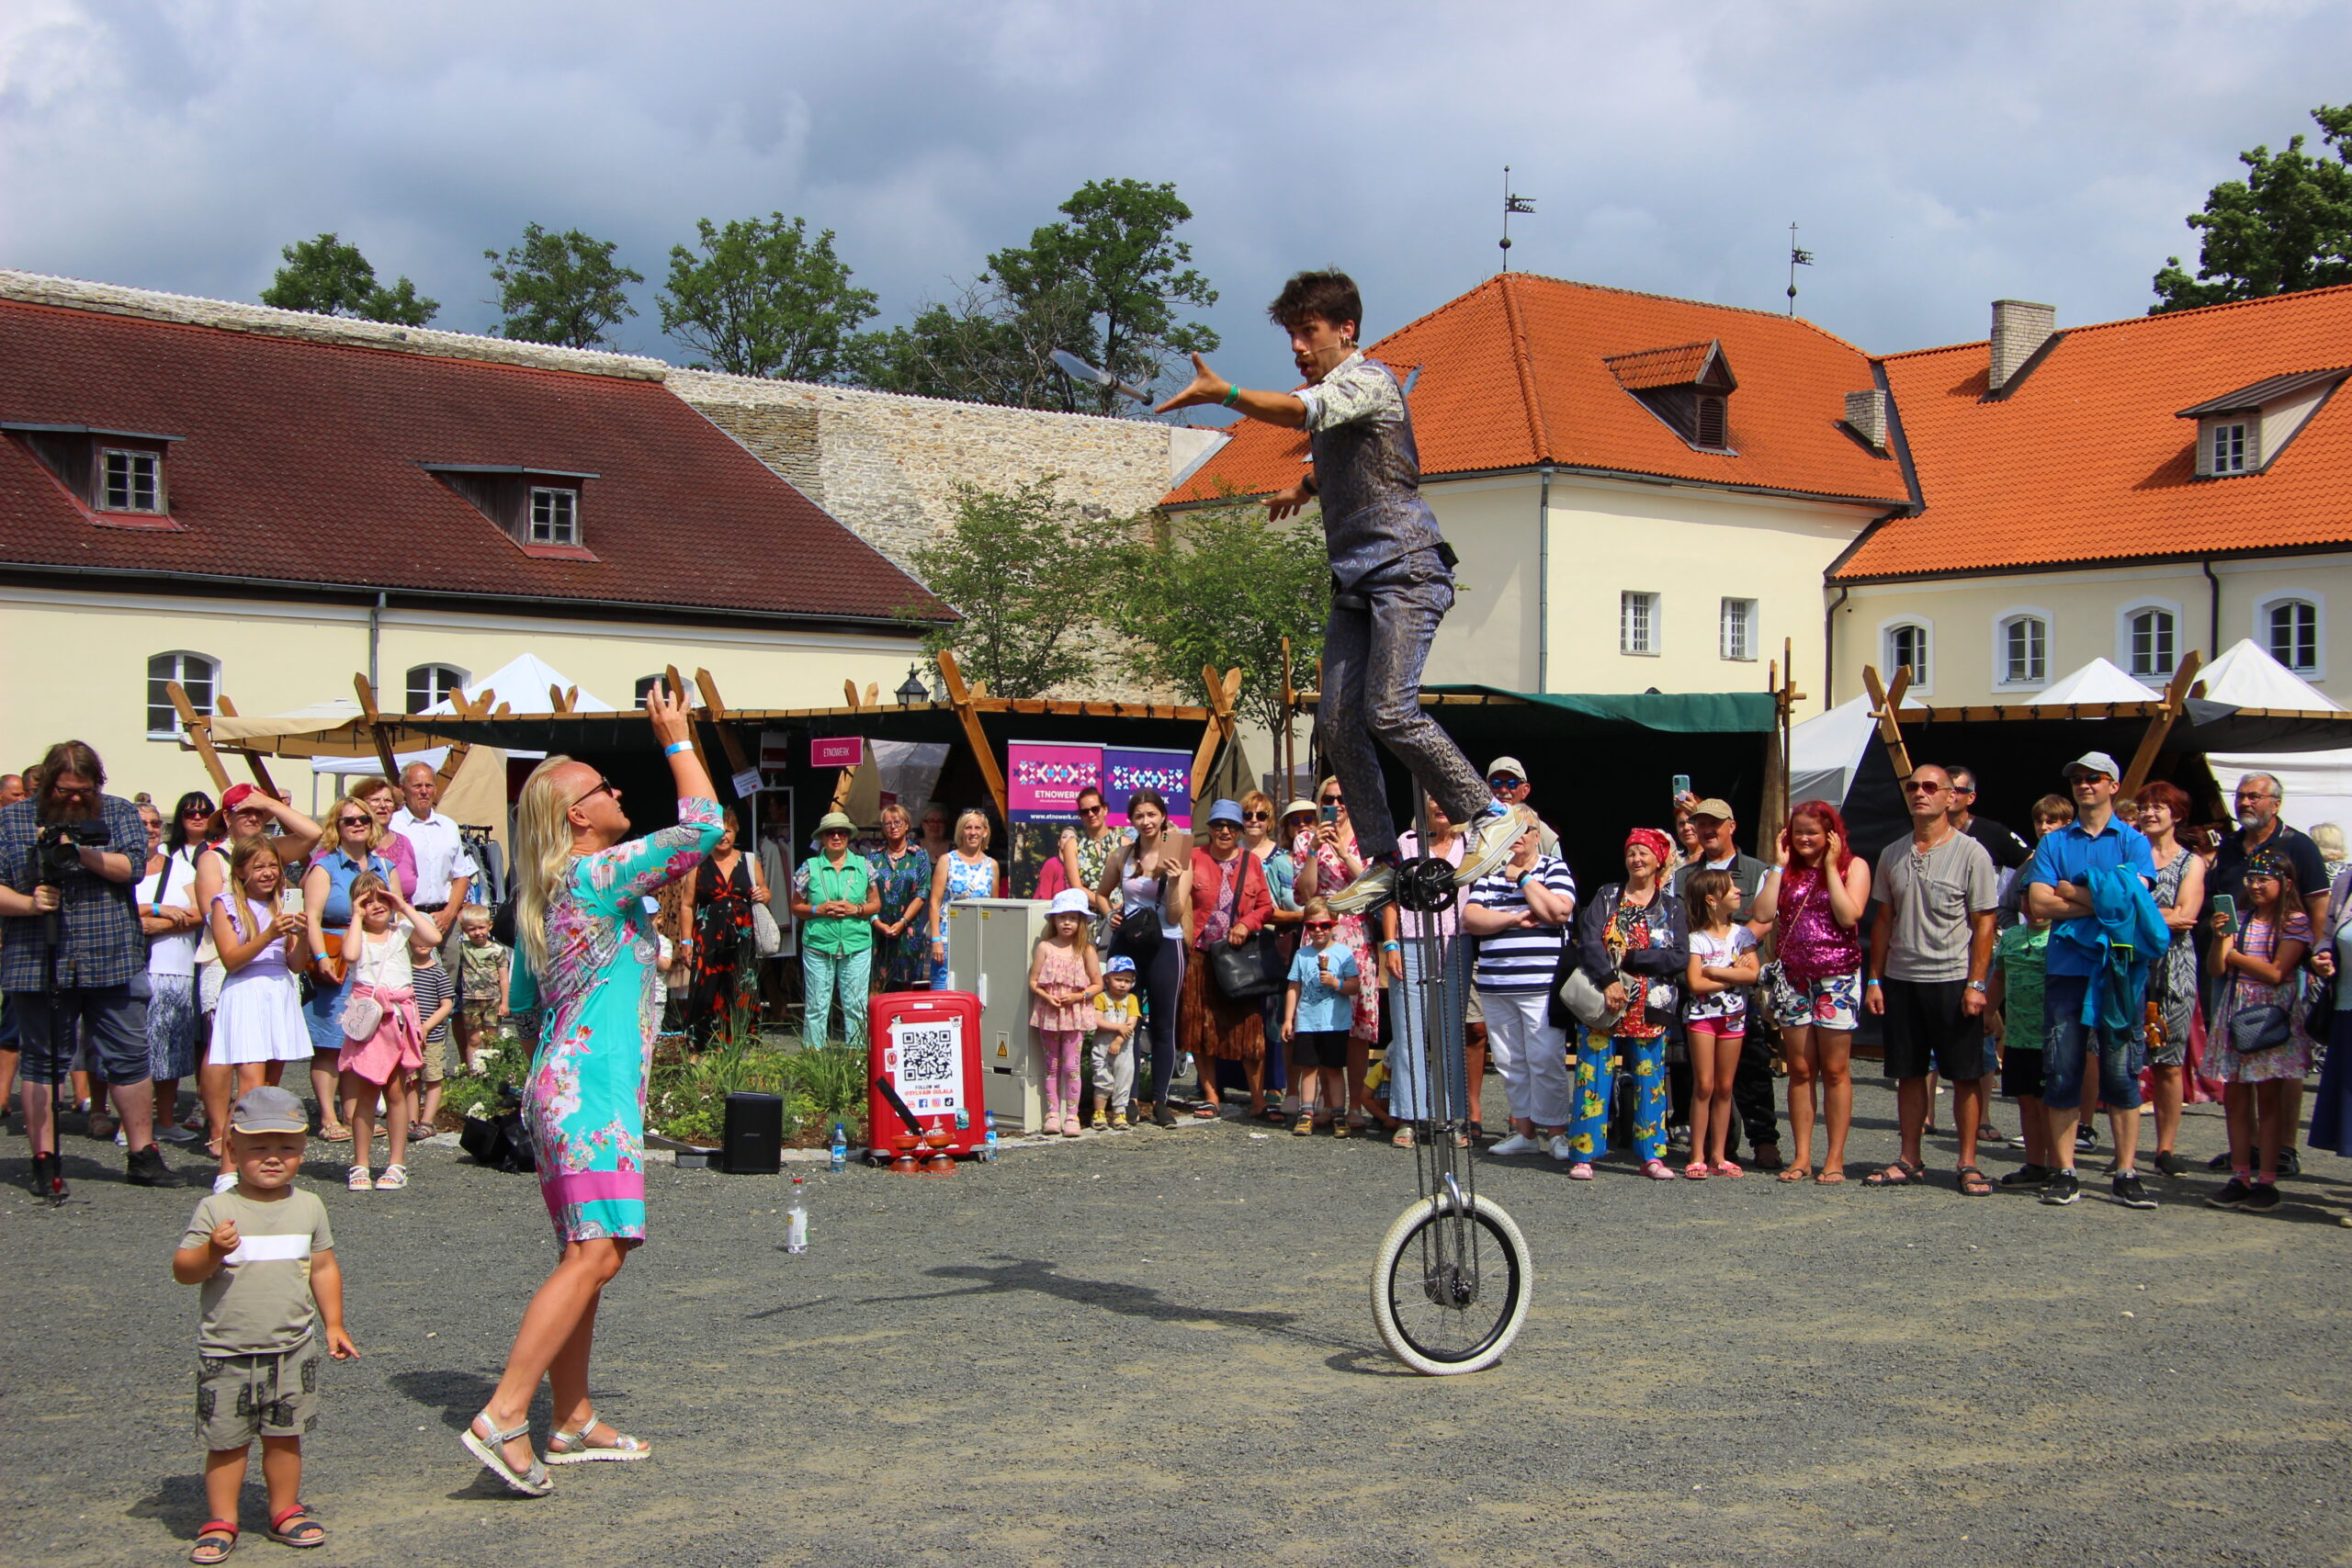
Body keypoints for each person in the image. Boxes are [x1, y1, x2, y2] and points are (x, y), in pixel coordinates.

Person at [1159, 269, 1519, 913]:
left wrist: (1228, 393)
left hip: (1407, 568)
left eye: (1308, 331)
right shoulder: (1339, 400)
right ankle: (1382, 857)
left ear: (1345, 329)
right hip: (1356, 580)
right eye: (1291, 333)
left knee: (1389, 708)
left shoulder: (1366, 379)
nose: (1297, 345)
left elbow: (1301, 410)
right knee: (1334, 721)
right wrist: (1304, 488)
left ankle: (1488, 812)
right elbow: (1356, 459)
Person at [464, 682, 721, 1495]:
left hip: (564, 1087)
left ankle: (571, 1415)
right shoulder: (598, 873)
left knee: (588, 1252)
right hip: (591, 1094)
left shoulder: (551, 891)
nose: (616, 793)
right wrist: (677, 736)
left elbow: (531, 999)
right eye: (603, 789)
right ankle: (506, 1411)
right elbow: (708, 828)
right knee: (596, 1251)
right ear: (577, 815)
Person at [173, 1086, 356, 1563]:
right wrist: (213, 1250)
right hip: (227, 1350)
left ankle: (284, 1509)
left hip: (291, 1347)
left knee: (284, 1435)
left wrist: (333, 1323)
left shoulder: (310, 1206)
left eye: (286, 1148)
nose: (273, 1158)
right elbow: (184, 1271)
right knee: (226, 1442)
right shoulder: (218, 1210)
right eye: (258, 1148)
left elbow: (323, 1267)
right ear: (232, 1149)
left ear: (302, 1150)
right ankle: (221, 1519)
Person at [0, 739, 187, 1193]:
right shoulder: (12, 819)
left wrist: (77, 850)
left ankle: (143, 1153)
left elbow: (133, 868)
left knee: (129, 1055)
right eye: (65, 791)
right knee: (43, 1061)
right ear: (47, 784)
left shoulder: (119, 812)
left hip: (112, 954)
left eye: (83, 790)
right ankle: (44, 1157)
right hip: (37, 958)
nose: (75, 798)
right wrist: (28, 904)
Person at [2023, 751, 2161, 1209]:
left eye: (2093, 778)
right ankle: (2065, 1171)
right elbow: (2039, 905)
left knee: (2122, 1074)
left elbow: (2134, 902)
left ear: (2113, 786)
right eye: (2078, 778)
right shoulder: (2054, 842)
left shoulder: (2134, 842)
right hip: (2067, 969)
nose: (2084, 785)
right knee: (2062, 1071)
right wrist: (2103, 898)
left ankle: (2125, 1171)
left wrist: (2072, 891)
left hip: (2120, 969)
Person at [1864, 763, 2000, 1195]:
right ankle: (1909, 1158)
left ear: (1949, 797)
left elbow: (1984, 923)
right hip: (1903, 978)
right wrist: (1875, 979)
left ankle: (1967, 1161)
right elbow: (1883, 920)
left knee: (1964, 1074)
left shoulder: (1972, 853)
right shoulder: (1892, 853)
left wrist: (1978, 984)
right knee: (1907, 1072)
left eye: (1929, 787)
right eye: (1912, 787)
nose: (1919, 794)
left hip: (1953, 977)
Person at [2204, 772, 2329, 1175]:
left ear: (2275, 803)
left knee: (2278, 1059)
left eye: (2254, 797)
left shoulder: (2298, 846)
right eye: (2240, 796)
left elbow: (2318, 905)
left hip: (2283, 963)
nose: (2245, 803)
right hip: (2235, 964)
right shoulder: (2231, 846)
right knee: (2240, 1062)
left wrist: (2319, 952)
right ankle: (2250, 1148)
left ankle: (2284, 1148)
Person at [1751, 801, 1870, 1184]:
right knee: (1800, 1070)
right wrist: (1778, 866)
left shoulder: (1856, 866)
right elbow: (1764, 913)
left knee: (1835, 1070)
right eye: (1797, 831)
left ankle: (1834, 1158)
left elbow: (1849, 915)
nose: (1804, 838)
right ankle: (1801, 1156)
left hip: (1837, 977)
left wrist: (1832, 867)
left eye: (1812, 832)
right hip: (1795, 979)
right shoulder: (1784, 872)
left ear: (1831, 835)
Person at [1671, 796, 1781, 1169]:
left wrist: (1734, 940)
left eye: (1714, 823)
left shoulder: (1756, 870)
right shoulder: (1684, 874)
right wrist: (1714, 954)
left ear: (1731, 826)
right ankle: (1706, 1147)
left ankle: (1764, 1138)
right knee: (1696, 1076)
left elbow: (1766, 918)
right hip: (1700, 985)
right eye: (1700, 823)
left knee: (1753, 1066)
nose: (1706, 829)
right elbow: (1676, 923)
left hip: (1740, 991)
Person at [1565, 827, 1679, 1178]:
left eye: (1644, 852)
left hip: (1650, 1004)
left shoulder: (1672, 907)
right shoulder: (1608, 895)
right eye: (1631, 853)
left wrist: (1631, 959)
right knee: (1593, 1072)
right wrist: (1610, 980)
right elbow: (1589, 941)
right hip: (1605, 998)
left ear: (1659, 860)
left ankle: (1651, 1155)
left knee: (1650, 1078)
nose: (1636, 859)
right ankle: (1584, 1154)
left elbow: (1678, 959)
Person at [2204, 850, 2314, 1212]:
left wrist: (2234, 955)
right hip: (2236, 1009)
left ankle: (2267, 1179)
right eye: (2251, 879)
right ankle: (2241, 1175)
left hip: (2271, 1015)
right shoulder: (2243, 918)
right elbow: (2216, 970)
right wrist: (2222, 938)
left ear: (2285, 883)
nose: (2254, 886)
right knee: (2235, 1099)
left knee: (2269, 1102)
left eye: (2262, 879)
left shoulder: (2295, 922)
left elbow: (2277, 972)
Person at [207, 839, 314, 1187]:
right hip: (246, 992)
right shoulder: (226, 905)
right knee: (250, 1089)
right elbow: (231, 960)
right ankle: (227, 1168)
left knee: (269, 1089)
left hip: (279, 991)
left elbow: (296, 965)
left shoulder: (284, 903)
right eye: (258, 867)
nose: (267, 873)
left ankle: (258, 1166)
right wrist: (270, 932)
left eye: (272, 866)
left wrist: (303, 932)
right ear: (241, 871)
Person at [1291, 778, 1387, 1129]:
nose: (1337, 804)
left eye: (1343, 798)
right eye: (1330, 799)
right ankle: (1317, 1104)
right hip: (1320, 930)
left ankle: (1354, 1107)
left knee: (1356, 1027)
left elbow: (1375, 888)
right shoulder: (1305, 838)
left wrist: (1345, 852)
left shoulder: (1367, 838)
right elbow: (1304, 893)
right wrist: (1315, 850)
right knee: (1317, 1023)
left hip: (1355, 935)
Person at [336, 873, 440, 1192]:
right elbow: (350, 955)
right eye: (367, 902)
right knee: (365, 1093)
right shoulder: (356, 934)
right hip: (369, 1023)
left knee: (396, 1091)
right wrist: (355, 916)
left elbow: (433, 937)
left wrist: (404, 906)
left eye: (382, 899)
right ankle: (361, 1162)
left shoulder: (401, 931)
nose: (376, 906)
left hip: (397, 1018)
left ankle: (397, 1162)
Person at [300, 795, 396, 1143]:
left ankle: (354, 1115)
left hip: (373, 961)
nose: (357, 824)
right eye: (348, 820)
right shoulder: (324, 866)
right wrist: (321, 957)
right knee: (329, 1042)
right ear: (336, 827)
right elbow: (311, 917)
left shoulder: (384, 868)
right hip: (337, 958)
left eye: (363, 820)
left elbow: (397, 912)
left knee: (360, 1040)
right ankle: (327, 1117)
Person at [1384, 795, 1472, 1147]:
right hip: (1409, 941)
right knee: (1409, 1031)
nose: (1440, 806)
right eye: (1432, 799)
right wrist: (1390, 943)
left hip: (1455, 942)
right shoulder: (1406, 844)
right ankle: (1409, 1116)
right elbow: (1389, 895)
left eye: (1445, 797)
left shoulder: (1470, 846)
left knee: (1450, 1032)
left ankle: (1452, 1118)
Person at [1096, 791, 1187, 1127]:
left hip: (1166, 943)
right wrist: (1109, 915)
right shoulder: (1122, 855)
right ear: (1131, 820)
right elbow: (1101, 894)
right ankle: (1128, 1099)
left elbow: (1176, 916)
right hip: (1128, 943)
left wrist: (1175, 882)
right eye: (1139, 816)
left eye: (1152, 815)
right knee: (1126, 1023)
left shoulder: (1178, 852)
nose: (1146, 822)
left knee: (1164, 1024)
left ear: (1162, 816)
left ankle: (1161, 1101)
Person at [1183, 798, 1276, 1120]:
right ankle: (1211, 1095)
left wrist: (1246, 923)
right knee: (1201, 1026)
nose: (1225, 831)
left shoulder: (1251, 863)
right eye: (1219, 825)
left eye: (1232, 826)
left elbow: (1266, 906)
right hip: (1200, 954)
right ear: (1209, 828)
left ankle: (1258, 1099)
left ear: (1239, 830)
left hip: (1238, 959)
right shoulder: (1194, 858)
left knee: (1250, 1029)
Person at [2136, 781, 2207, 1179]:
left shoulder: (2191, 862)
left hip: (2173, 968)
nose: (2150, 813)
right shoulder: (2128, 856)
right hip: (2129, 965)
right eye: (2145, 806)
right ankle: (2124, 1145)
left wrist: (2135, 911)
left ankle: (2165, 1148)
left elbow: (2185, 916)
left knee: (2168, 1061)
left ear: (2176, 815)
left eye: (2159, 807)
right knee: (2123, 1057)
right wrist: (2162, 911)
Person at [143, 791, 214, 1145]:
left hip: (192, 955)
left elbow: (202, 910)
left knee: (187, 1039)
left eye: (204, 812)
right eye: (189, 812)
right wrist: (156, 911)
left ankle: (197, 1105)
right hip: (143, 963)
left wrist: (162, 922)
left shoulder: (196, 862)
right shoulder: (170, 856)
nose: (197, 817)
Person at [1682, 868, 1760, 1179]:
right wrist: (1729, 974)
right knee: (1704, 1085)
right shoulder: (1696, 939)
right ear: (1713, 900)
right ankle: (1697, 1154)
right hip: (1703, 1019)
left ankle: (1719, 1155)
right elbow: (1695, 984)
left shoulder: (1743, 935)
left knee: (1726, 1086)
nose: (1739, 893)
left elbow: (1752, 974)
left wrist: (1715, 973)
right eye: (1731, 890)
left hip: (1733, 1018)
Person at [683, 807, 771, 1052]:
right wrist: (686, 942)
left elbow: (766, 892)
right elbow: (687, 905)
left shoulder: (750, 861)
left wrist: (763, 894)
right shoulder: (698, 863)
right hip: (707, 937)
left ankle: (742, 1044)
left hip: (742, 937)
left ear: (736, 831)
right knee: (705, 990)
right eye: (718, 831)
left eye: (728, 830)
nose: (723, 836)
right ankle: (701, 1046)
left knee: (742, 987)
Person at [793, 811, 878, 1051]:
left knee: (855, 1006)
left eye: (842, 832)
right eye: (831, 833)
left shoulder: (864, 865)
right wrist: (817, 909)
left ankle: (857, 1061)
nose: (837, 836)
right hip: (819, 945)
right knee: (817, 1006)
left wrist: (856, 909)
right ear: (822, 837)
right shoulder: (809, 867)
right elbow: (795, 906)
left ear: (849, 837)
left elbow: (876, 904)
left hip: (856, 945)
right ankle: (813, 1061)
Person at [1283, 897, 1363, 1134]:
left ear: (1334, 925)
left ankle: (1338, 1112)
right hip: (1307, 1021)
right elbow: (1293, 986)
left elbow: (1355, 985)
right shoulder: (1302, 955)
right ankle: (1306, 1112)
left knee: (1334, 1069)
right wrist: (1288, 1019)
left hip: (1334, 1022)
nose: (1318, 931)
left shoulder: (1343, 953)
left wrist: (1336, 983)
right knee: (1308, 1068)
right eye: (1311, 926)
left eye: (1324, 926)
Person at [1028, 888, 1102, 1135]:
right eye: (1062, 917)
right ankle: (1051, 1113)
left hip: (1074, 1015)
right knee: (1052, 1065)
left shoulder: (1086, 951)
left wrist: (1078, 996)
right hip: (1049, 1013)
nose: (1067, 922)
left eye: (1072, 917)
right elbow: (1033, 981)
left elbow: (1098, 984)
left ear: (1081, 921)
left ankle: (1071, 1116)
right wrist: (1046, 996)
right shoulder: (1045, 948)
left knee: (1072, 1066)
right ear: (1054, 920)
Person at [386, 761, 476, 951]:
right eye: (417, 786)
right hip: (408, 920)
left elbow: (461, 875)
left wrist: (449, 914)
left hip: (446, 921)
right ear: (403, 789)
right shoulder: (391, 826)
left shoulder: (449, 826)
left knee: (447, 979)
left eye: (429, 785)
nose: (424, 791)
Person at [929, 808, 1002, 992]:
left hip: (978, 938)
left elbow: (994, 906)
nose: (973, 832)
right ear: (961, 831)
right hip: (948, 936)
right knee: (943, 989)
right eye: (968, 827)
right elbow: (934, 902)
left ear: (985, 832)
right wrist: (936, 939)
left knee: (974, 990)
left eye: (978, 828)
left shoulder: (992, 865)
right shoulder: (947, 860)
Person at [866, 802, 932, 993]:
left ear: (907, 825)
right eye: (887, 823)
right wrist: (877, 923)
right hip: (879, 930)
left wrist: (902, 922)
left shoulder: (919, 855)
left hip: (908, 930)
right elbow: (866, 894)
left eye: (897, 822)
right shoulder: (873, 857)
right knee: (876, 986)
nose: (893, 826)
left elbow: (922, 893)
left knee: (906, 987)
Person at [1057, 785, 1134, 946]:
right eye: (1085, 811)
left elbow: (1132, 882)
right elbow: (1077, 887)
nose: (1091, 814)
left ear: (1105, 809)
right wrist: (1108, 907)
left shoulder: (1124, 843)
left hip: (1121, 918)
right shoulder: (1073, 845)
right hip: (1089, 920)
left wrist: (1118, 910)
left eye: (1095, 809)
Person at [409, 920, 455, 1140]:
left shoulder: (438, 972)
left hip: (433, 1036)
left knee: (433, 1077)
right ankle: (410, 1119)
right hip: (408, 1036)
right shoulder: (404, 971)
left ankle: (427, 1120)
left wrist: (426, 1026)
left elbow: (447, 1004)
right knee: (411, 1079)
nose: (422, 943)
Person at [455, 906, 510, 1077]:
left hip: (492, 999)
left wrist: (505, 1003)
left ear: (490, 926)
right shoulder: (463, 948)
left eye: (481, 928)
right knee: (473, 1040)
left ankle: (493, 1074)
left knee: (491, 1039)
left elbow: (504, 978)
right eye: (472, 929)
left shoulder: (497, 950)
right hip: (470, 1000)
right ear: (464, 929)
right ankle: (474, 1075)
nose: (477, 932)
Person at [1089, 956, 1143, 1131]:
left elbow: (1131, 1024)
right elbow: (1097, 1021)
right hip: (1102, 1047)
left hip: (1124, 1048)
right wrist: (1118, 1027)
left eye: (1127, 981)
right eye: (1118, 979)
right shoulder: (1101, 998)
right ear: (1107, 978)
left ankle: (1120, 1112)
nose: (1122, 984)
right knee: (1102, 1078)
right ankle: (1099, 1113)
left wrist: (1119, 1039)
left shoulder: (1132, 1000)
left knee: (1124, 1079)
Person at [347, 775, 420, 901]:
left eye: (388, 800)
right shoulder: (350, 842)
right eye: (375, 800)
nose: (382, 805)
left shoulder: (405, 842)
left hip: (403, 918)